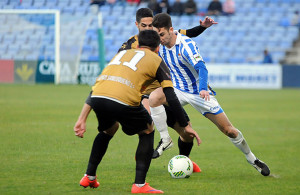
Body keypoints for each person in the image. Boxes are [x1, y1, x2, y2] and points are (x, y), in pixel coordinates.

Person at [74, 30, 201, 193]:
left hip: (99, 97)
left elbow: (97, 87)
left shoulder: (121, 55)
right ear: (157, 48)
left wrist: (82, 118)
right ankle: (139, 185)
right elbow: (170, 94)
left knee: (109, 129)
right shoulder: (157, 59)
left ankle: (89, 176)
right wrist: (185, 124)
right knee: (147, 129)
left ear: (138, 44)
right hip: (123, 99)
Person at [149, 13, 271, 176]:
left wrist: (203, 88)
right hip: (177, 90)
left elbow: (201, 67)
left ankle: (252, 158)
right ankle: (165, 139)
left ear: (171, 30)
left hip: (199, 93)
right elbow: (188, 31)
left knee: (229, 130)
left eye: (162, 35)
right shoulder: (160, 43)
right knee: (153, 98)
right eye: (157, 36)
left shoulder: (186, 45)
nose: (160, 39)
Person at [118, 8, 217, 161]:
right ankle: (147, 157)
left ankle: (183, 163)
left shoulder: (164, 36)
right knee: (147, 122)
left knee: (187, 133)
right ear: (137, 25)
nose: (148, 29)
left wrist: (203, 27)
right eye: (143, 26)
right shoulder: (131, 44)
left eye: (150, 25)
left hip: (169, 92)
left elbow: (187, 33)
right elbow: (119, 64)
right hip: (148, 95)